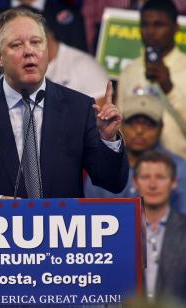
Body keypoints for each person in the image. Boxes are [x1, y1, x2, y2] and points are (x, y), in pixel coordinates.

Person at [0, 8, 128, 201]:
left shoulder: (79, 107)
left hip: (63, 229)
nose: (29, 51)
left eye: (36, 42)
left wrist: (108, 139)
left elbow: (113, 183)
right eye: (16, 45)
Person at [85, 94, 186, 214]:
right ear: (121, 124)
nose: (139, 130)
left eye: (148, 124)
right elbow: (89, 216)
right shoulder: (103, 168)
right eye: (132, 122)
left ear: (160, 128)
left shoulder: (179, 168)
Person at [118, 0, 186, 159]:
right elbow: (120, 126)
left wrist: (169, 88)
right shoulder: (130, 70)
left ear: (175, 28)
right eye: (145, 25)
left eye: (159, 25)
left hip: (180, 169)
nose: (150, 32)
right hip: (138, 171)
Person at [133, 150, 186, 303]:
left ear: (174, 182)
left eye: (161, 177)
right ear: (135, 182)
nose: (153, 185)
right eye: (145, 177)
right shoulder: (118, 232)